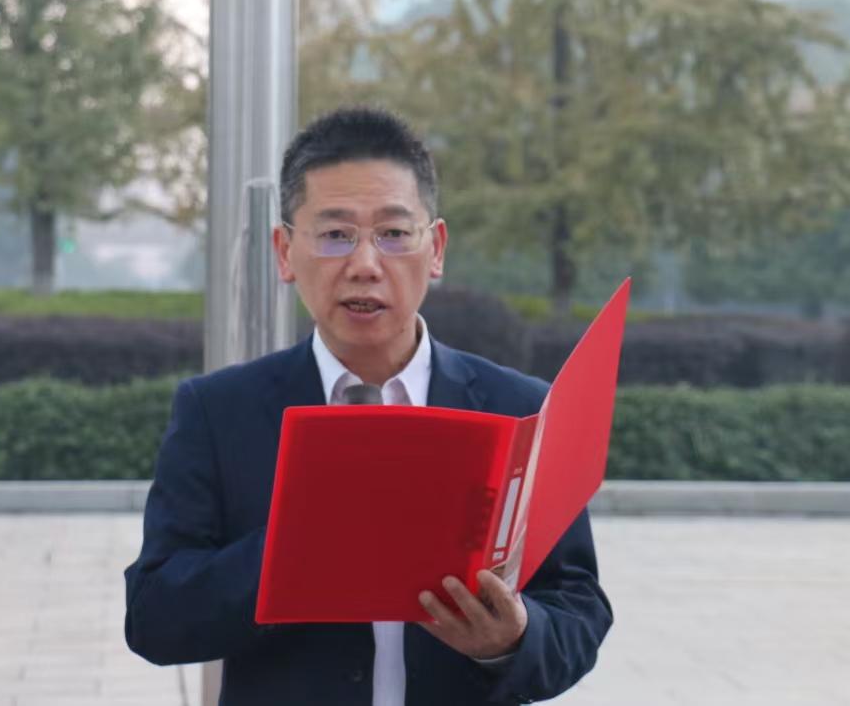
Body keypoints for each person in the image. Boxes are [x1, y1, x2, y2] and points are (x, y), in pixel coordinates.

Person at [124, 107, 611, 705]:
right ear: (285, 251)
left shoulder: (521, 410)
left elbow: (579, 611)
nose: (364, 265)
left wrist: (511, 640)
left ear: (436, 249)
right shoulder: (217, 411)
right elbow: (153, 616)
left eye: (393, 234)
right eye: (335, 235)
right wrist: (291, 551)